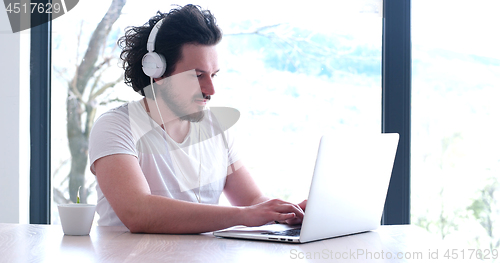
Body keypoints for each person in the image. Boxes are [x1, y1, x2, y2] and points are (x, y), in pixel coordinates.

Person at [89, 4, 306, 234]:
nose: (211, 90)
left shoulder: (216, 128)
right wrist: (245, 215)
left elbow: (252, 200)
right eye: (198, 75)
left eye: (213, 75)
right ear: (157, 70)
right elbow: (138, 212)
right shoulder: (115, 127)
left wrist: (288, 213)